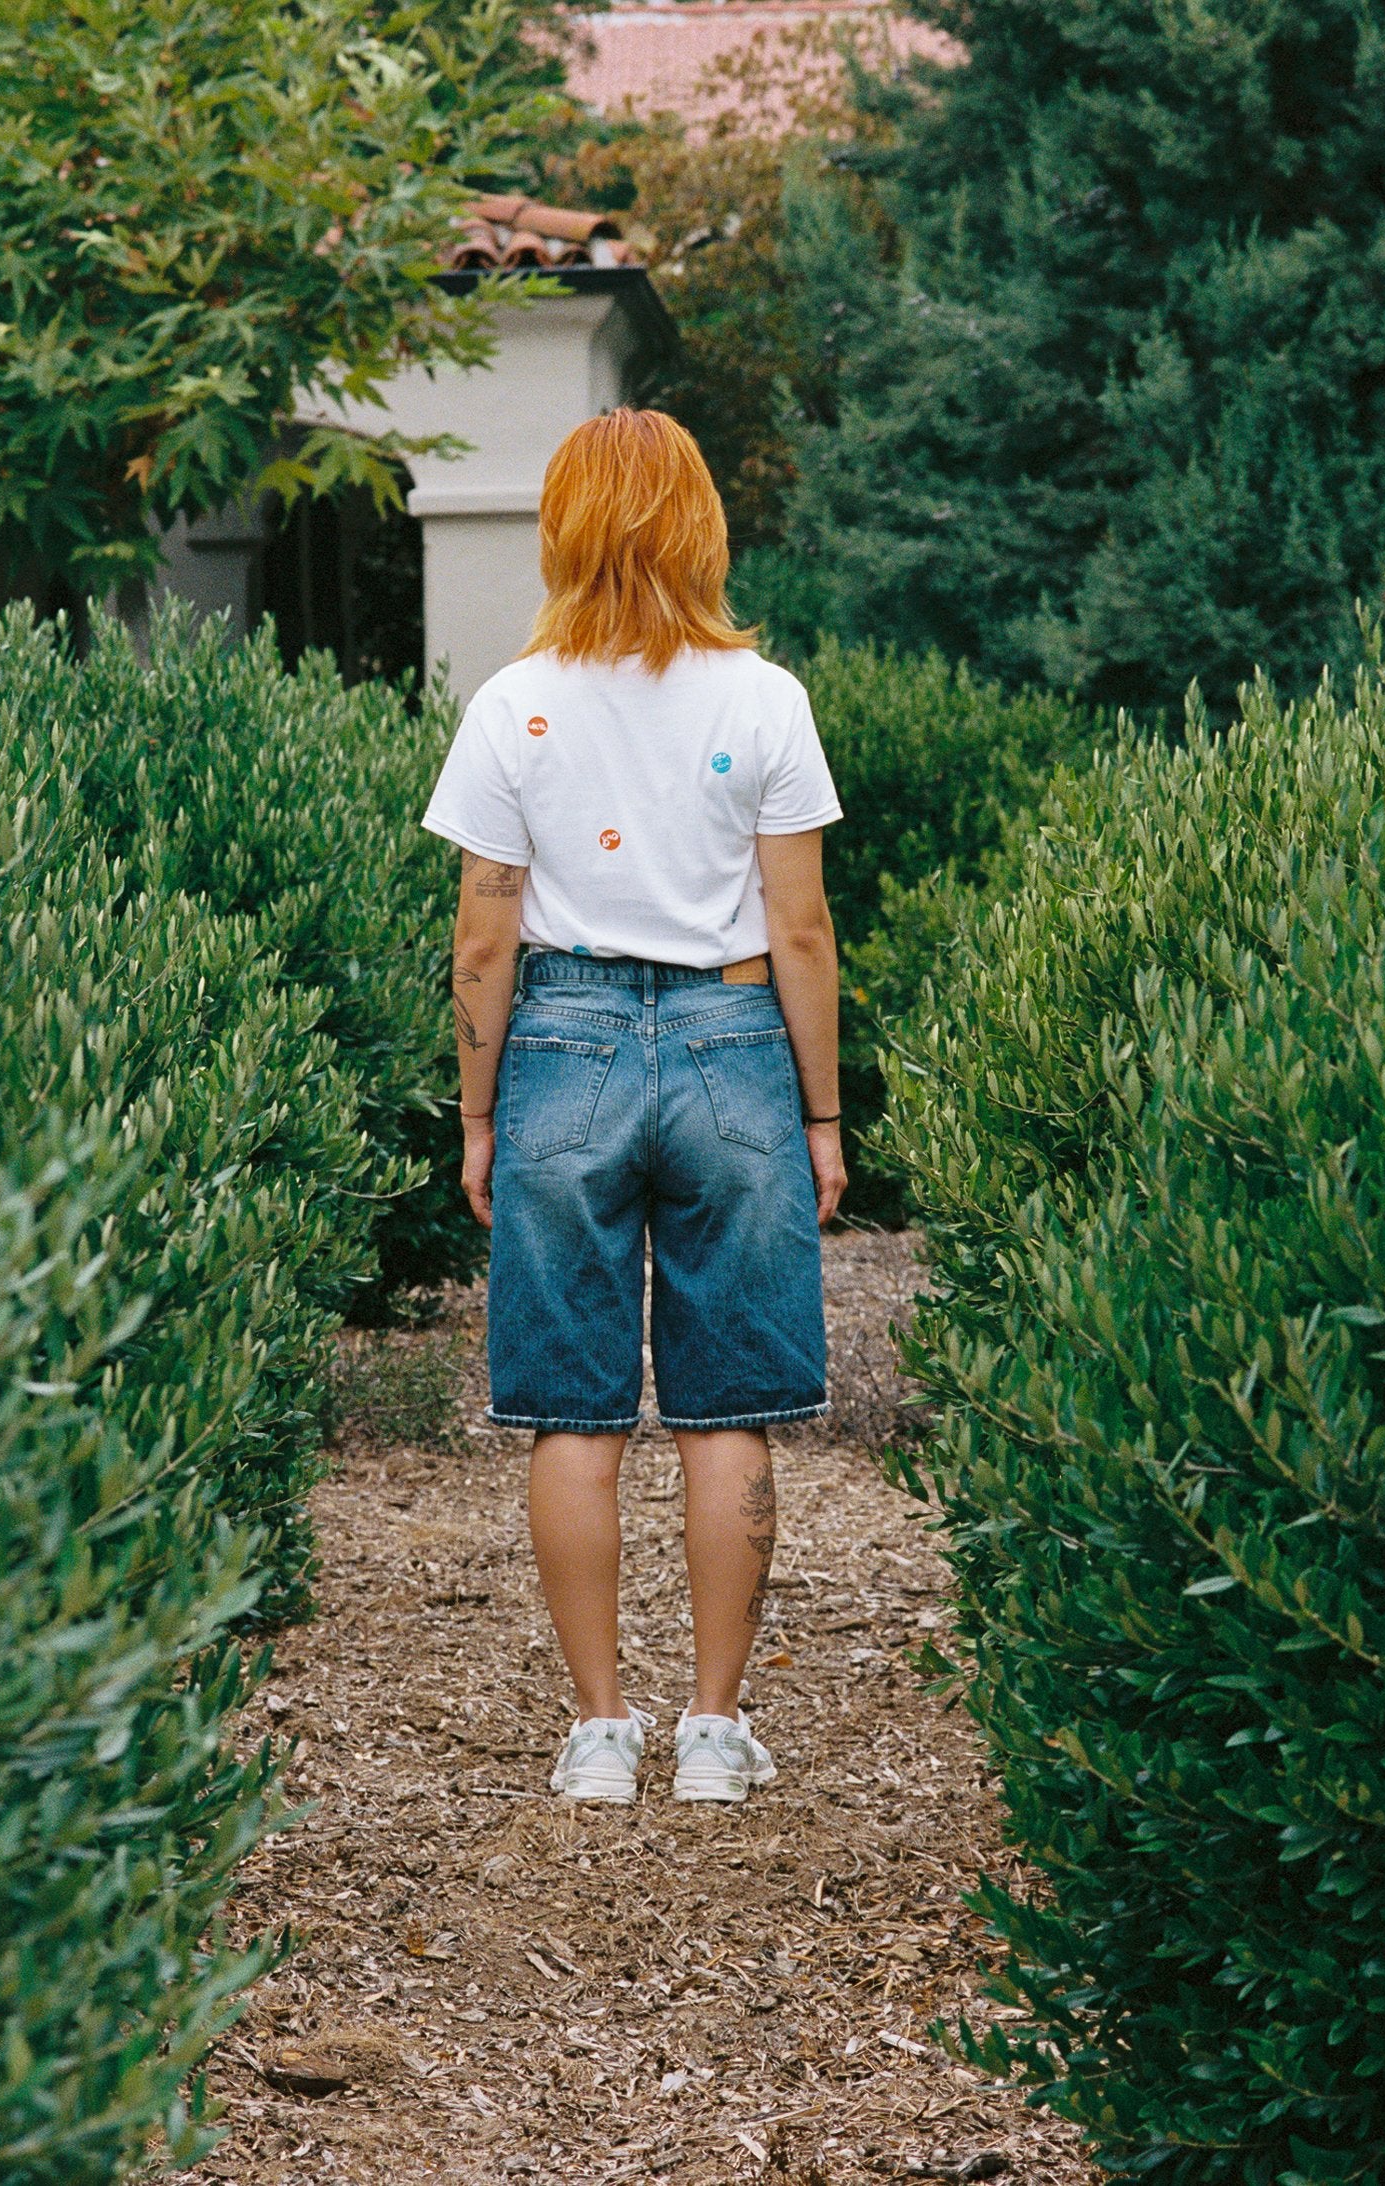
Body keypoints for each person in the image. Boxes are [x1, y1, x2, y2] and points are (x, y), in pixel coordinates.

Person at [421, 407, 845, 1806]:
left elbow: (486, 936)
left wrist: (479, 1115)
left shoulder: (512, 703)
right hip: (731, 1038)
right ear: (700, 523)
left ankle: (601, 1731)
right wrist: (823, 1119)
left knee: (574, 1413)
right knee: (729, 1409)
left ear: (563, 526)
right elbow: (801, 931)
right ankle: (714, 1732)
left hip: (566, 1038)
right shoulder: (765, 698)